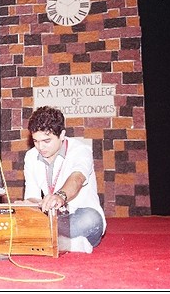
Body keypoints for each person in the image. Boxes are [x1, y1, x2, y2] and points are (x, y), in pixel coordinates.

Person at [21, 106, 106, 253]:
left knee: (91, 220)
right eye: (36, 141)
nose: (40, 147)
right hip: (51, 217)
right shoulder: (31, 156)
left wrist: (60, 196)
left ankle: (45, 237)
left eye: (46, 141)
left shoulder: (81, 150)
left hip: (79, 216)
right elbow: (31, 197)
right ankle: (69, 244)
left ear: (62, 135)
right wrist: (35, 204)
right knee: (23, 217)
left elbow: (77, 178)